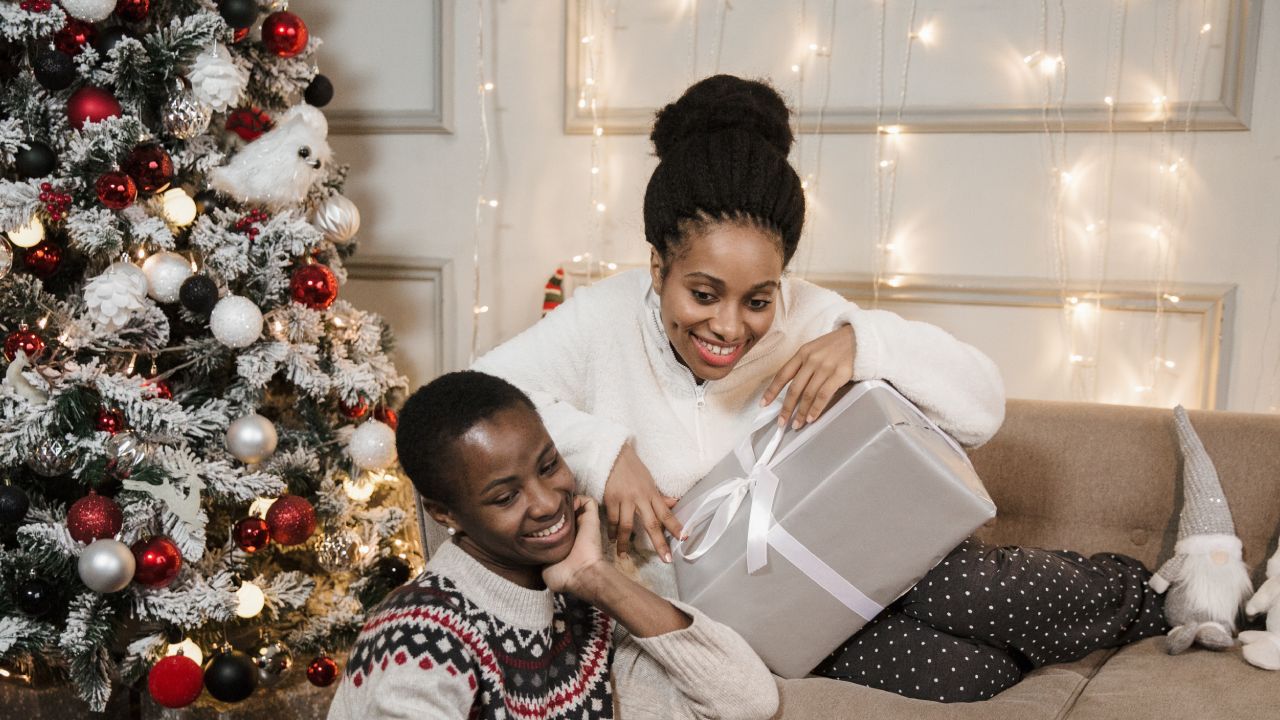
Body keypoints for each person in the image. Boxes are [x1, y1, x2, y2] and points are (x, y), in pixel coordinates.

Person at [472, 73, 1167, 702]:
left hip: (857, 549)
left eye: (757, 300)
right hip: (749, 616)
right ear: (657, 268)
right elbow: (473, 395)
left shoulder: (811, 315)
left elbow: (982, 406)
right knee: (974, 677)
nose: (728, 327)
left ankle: (1160, 593)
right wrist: (604, 450)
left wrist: (866, 343)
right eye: (703, 293)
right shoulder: (602, 316)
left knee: (971, 589)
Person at [326, 371, 779, 720]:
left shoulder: (578, 607)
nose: (546, 503)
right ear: (443, 513)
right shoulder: (416, 641)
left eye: (548, 466)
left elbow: (748, 702)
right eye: (505, 497)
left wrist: (598, 579)